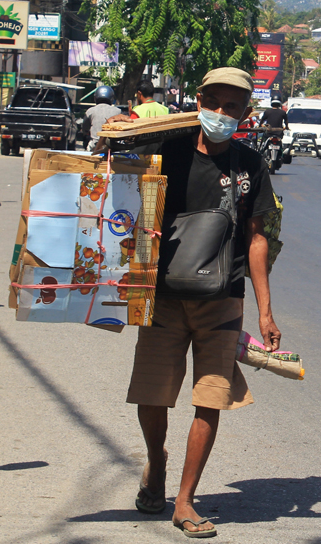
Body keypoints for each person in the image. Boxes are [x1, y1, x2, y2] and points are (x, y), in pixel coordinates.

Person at [128, 67, 280, 539]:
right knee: (153, 396)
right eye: (212, 102)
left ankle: (185, 499)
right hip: (164, 296)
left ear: (245, 114)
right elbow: (125, 203)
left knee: (208, 399)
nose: (219, 112)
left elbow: (256, 239)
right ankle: (157, 461)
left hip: (222, 299)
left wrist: (265, 310)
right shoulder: (166, 151)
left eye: (230, 106)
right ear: (197, 100)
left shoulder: (250, 165)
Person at [84, 85, 121, 152]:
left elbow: (85, 127)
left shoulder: (90, 111)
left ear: (95, 98)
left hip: (95, 145)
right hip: (113, 145)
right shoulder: (118, 111)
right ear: (112, 98)